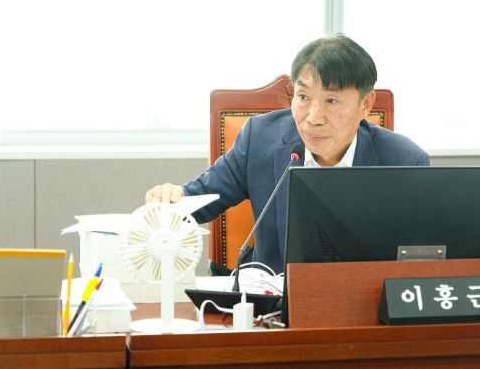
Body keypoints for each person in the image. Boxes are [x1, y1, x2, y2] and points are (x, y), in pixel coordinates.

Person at [146, 34, 430, 273]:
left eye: (331, 101)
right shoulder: (260, 138)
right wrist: (171, 199)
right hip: (271, 307)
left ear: (365, 104)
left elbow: (421, 260)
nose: (313, 117)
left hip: (362, 308)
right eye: (303, 97)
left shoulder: (404, 161)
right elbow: (199, 199)